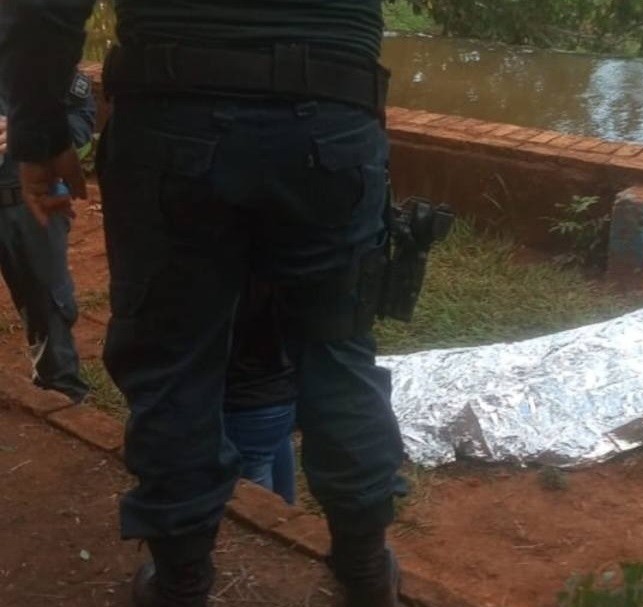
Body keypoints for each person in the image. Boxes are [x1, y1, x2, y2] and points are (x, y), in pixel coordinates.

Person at [0, 2, 405, 607]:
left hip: (172, 127)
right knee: (338, 352)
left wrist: (38, 135)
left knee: (173, 360)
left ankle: (182, 582)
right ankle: (366, 567)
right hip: (334, 123)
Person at [0, 69, 93, 404]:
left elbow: (80, 118)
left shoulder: (37, 50)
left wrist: (33, 135)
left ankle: (60, 394)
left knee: (48, 300)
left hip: (30, 202)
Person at [224, 280, 298, 506]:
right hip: (282, 392)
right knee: (277, 446)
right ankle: (289, 517)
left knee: (257, 506)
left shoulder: (232, 284)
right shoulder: (280, 271)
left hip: (247, 399)